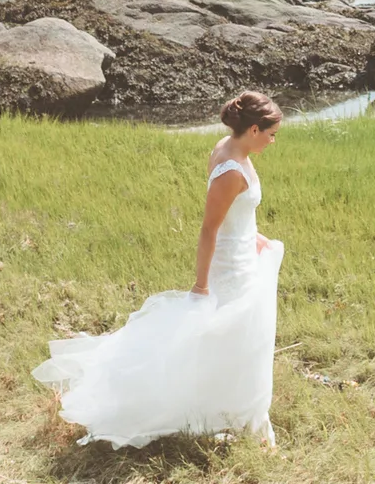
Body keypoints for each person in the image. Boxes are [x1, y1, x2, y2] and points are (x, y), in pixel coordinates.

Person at [32, 90, 285, 447]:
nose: (274, 141)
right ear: (255, 129)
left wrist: (260, 241)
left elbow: (238, 217)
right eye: (272, 134)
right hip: (231, 269)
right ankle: (248, 420)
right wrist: (200, 286)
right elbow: (210, 228)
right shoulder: (230, 168)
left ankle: (233, 410)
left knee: (234, 338)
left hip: (244, 253)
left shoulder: (232, 148)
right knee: (240, 335)